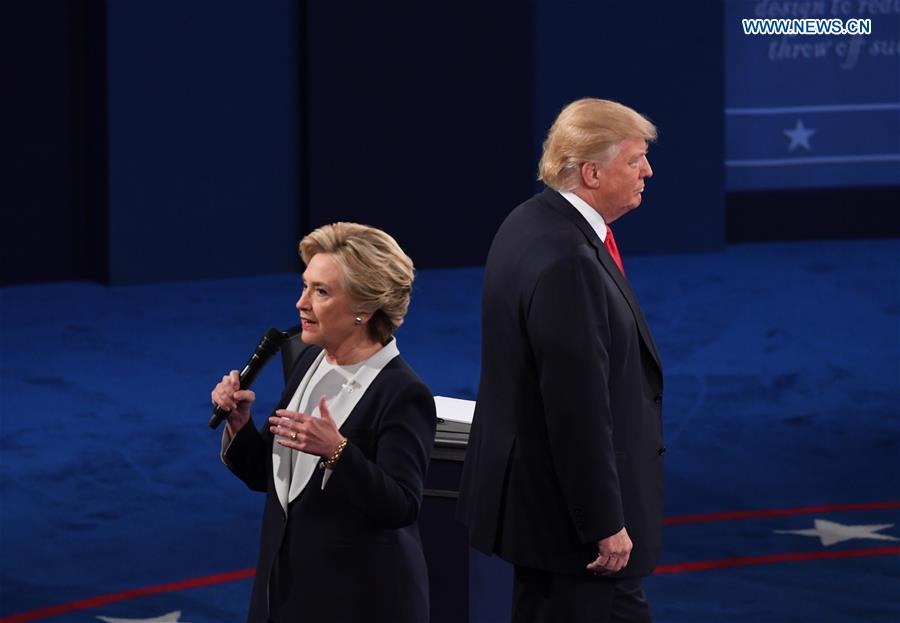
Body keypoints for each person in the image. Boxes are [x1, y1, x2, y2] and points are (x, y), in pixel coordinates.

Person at [456, 98, 665, 623]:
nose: (648, 171)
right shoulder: (569, 261)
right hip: (572, 535)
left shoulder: (528, 221)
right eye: (635, 160)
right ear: (592, 172)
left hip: (542, 513)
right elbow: (575, 407)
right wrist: (602, 521)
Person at [211, 222, 436, 623]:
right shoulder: (305, 360)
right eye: (304, 286)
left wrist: (337, 452)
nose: (301, 303)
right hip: (285, 597)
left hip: (357, 603)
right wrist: (240, 425)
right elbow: (270, 479)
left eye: (321, 292)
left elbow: (402, 505)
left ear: (364, 310)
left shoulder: (402, 393)